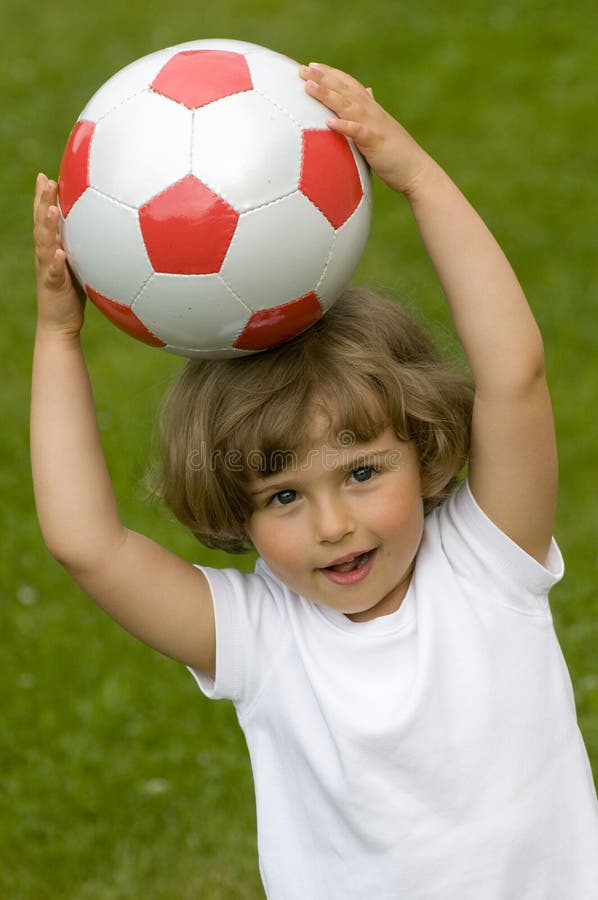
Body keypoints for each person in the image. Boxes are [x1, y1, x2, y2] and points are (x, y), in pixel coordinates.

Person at [31, 62, 598, 898]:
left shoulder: (490, 563)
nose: (334, 523)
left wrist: (416, 175)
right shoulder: (263, 639)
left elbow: (513, 374)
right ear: (239, 512)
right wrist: (57, 337)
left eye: (364, 471)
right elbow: (87, 544)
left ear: (429, 452)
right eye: (284, 496)